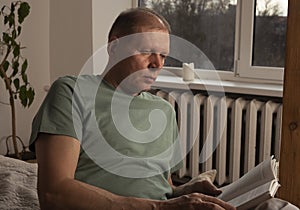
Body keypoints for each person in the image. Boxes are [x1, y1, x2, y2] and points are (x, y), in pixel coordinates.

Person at [29, 7, 236, 210]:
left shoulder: (164, 110)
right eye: (147, 52)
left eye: (163, 55)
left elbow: (162, 187)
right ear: (114, 47)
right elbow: (53, 193)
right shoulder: (71, 92)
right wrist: (161, 207)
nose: (157, 64)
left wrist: (185, 192)